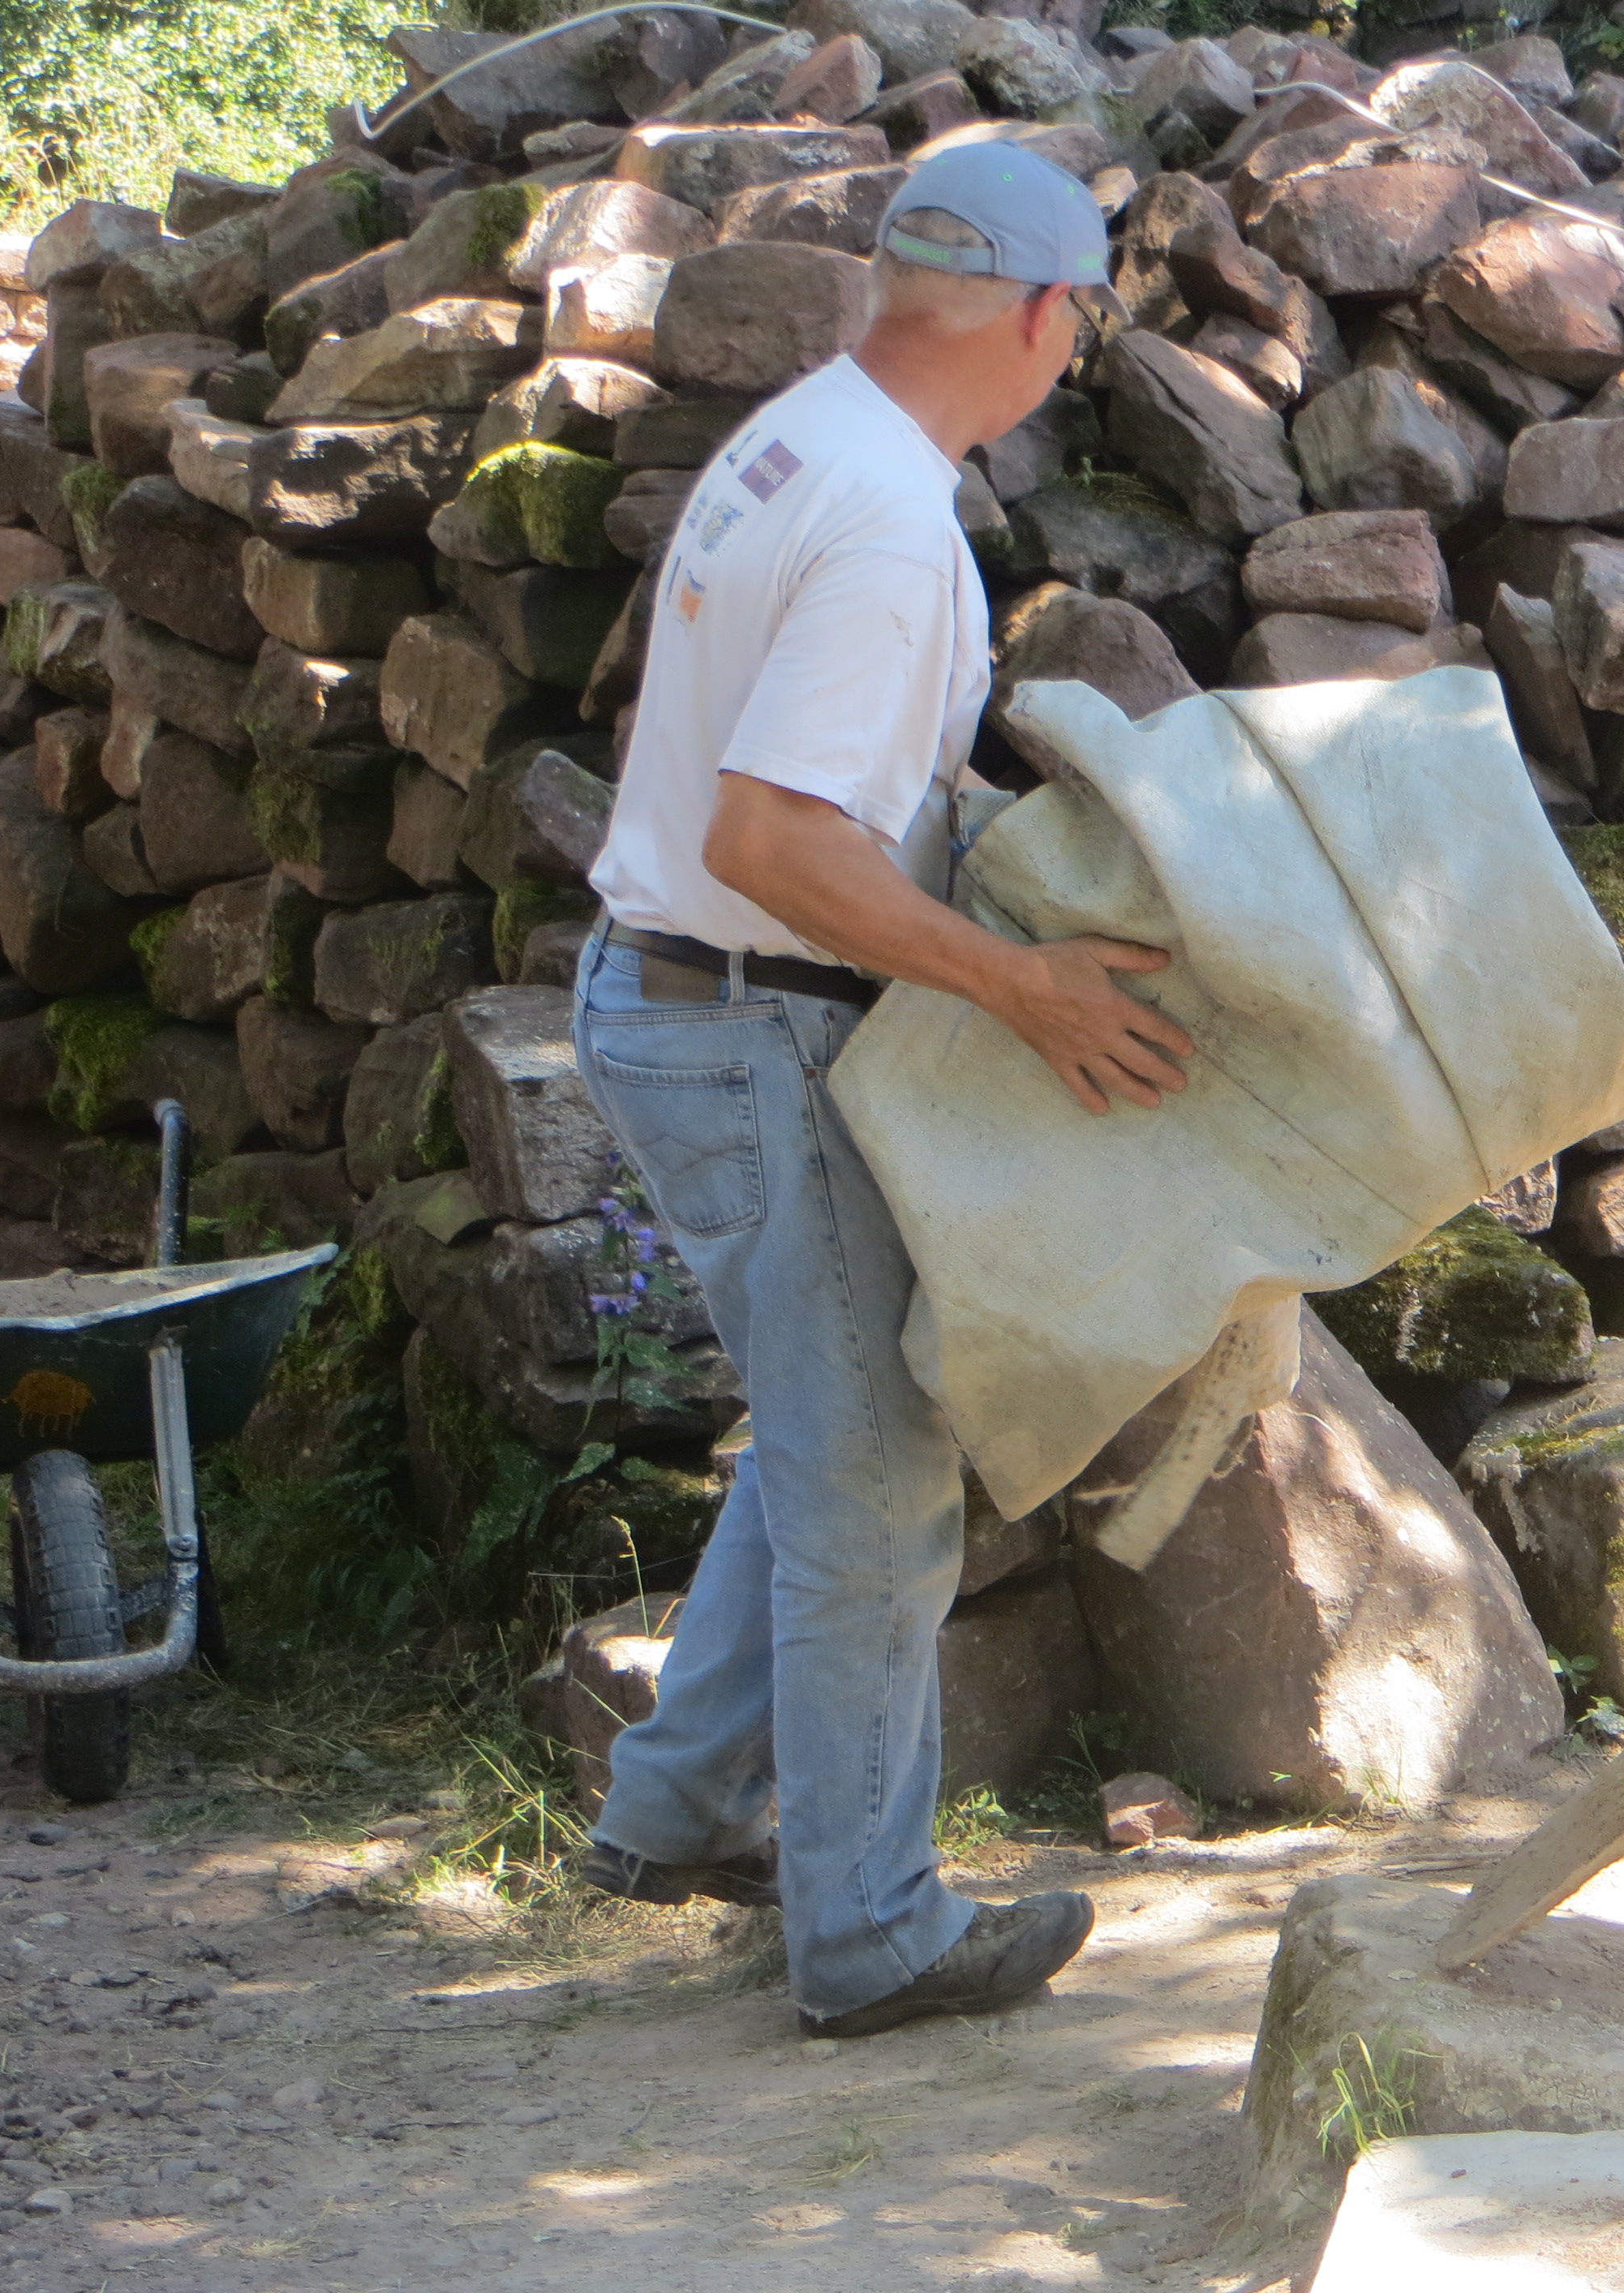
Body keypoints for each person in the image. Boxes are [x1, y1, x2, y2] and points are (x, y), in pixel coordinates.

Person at [565, 144, 1195, 2041]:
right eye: (1084, 317)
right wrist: (1023, 987)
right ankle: (868, 1932)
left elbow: (804, 791)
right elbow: (772, 839)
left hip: (683, 996)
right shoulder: (890, 524)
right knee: (879, 1484)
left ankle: (673, 1809)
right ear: (1042, 312)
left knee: (822, 1424)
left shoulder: (804, 436)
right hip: (750, 1018)